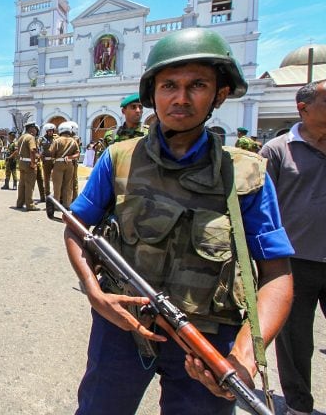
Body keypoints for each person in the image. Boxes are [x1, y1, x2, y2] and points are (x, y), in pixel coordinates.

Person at [63, 28, 293, 414]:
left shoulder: (245, 173)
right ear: (153, 93)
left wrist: (244, 355)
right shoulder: (119, 158)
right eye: (169, 85)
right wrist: (94, 291)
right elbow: (76, 227)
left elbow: (276, 274)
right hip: (123, 327)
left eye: (197, 85)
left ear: (219, 94)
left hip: (208, 339)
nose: (181, 98)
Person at [260, 79, 326, 415]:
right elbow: (258, 207)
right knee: (296, 341)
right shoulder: (276, 150)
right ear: (303, 108)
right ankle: (299, 406)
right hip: (294, 261)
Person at [48, 121, 80, 210]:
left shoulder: (57, 141)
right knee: (68, 185)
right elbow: (77, 154)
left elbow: (51, 152)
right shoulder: (73, 141)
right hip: (69, 163)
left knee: (57, 186)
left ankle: (56, 205)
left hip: (58, 163)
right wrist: (70, 157)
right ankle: (67, 205)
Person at [15, 121, 40, 211]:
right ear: (31, 128)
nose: (35, 131)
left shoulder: (21, 137)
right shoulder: (30, 137)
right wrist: (33, 163)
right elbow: (32, 150)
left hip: (22, 162)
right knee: (29, 184)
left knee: (22, 184)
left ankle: (20, 203)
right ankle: (29, 204)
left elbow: (17, 151)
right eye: (34, 128)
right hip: (29, 163)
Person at [39, 123, 56, 200]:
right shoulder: (41, 139)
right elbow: (37, 148)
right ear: (46, 131)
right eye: (49, 131)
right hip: (46, 161)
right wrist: (40, 155)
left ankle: (56, 194)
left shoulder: (56, 138)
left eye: (52, 131)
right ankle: (47, 194)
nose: (51, 132)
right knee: (46, 178)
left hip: (54, 161)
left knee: (56, 178)